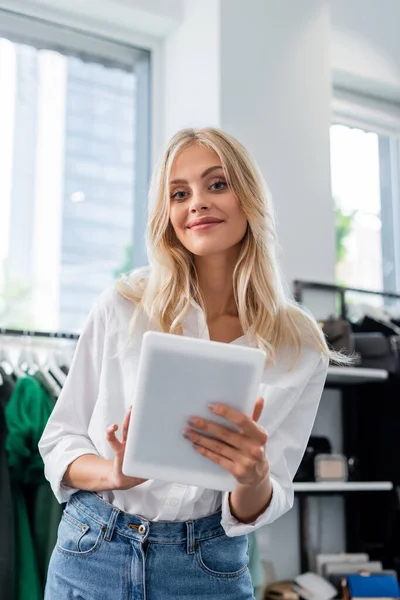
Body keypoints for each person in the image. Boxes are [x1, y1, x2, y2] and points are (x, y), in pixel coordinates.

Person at [39, 127, 339, 600]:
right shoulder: (122, 305)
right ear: (168, 213)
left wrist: (252, 476)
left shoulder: (300, 345)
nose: (196, 202)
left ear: (250, 199)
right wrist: (113, 473)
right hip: (94, 551)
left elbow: (267, 495)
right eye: (179, 193)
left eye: (217, 184)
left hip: (206, 568)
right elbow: (58, 440)